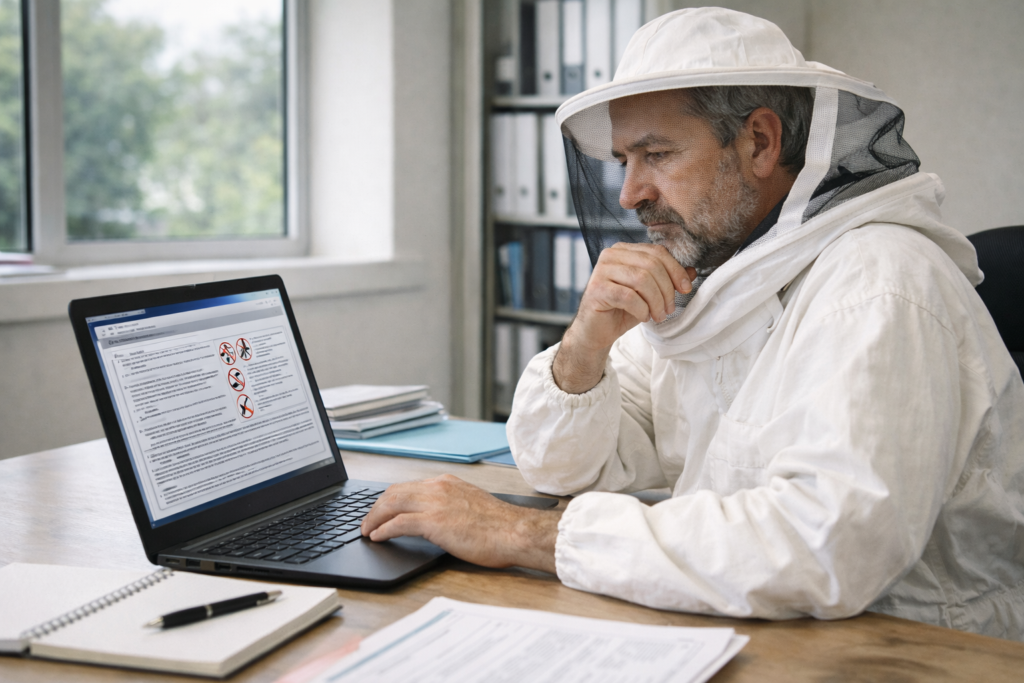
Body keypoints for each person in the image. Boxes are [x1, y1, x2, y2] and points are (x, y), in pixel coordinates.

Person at [362, 8, 1024, 640]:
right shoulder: (722, 276)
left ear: (760, 141)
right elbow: (562, 468)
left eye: (656, 154)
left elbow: (825, 547)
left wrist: (523, 535)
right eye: (623, 161)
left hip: (918, 645)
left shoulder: (879, 280)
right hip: (754, 625)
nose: (630, 194)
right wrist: (585, 344)